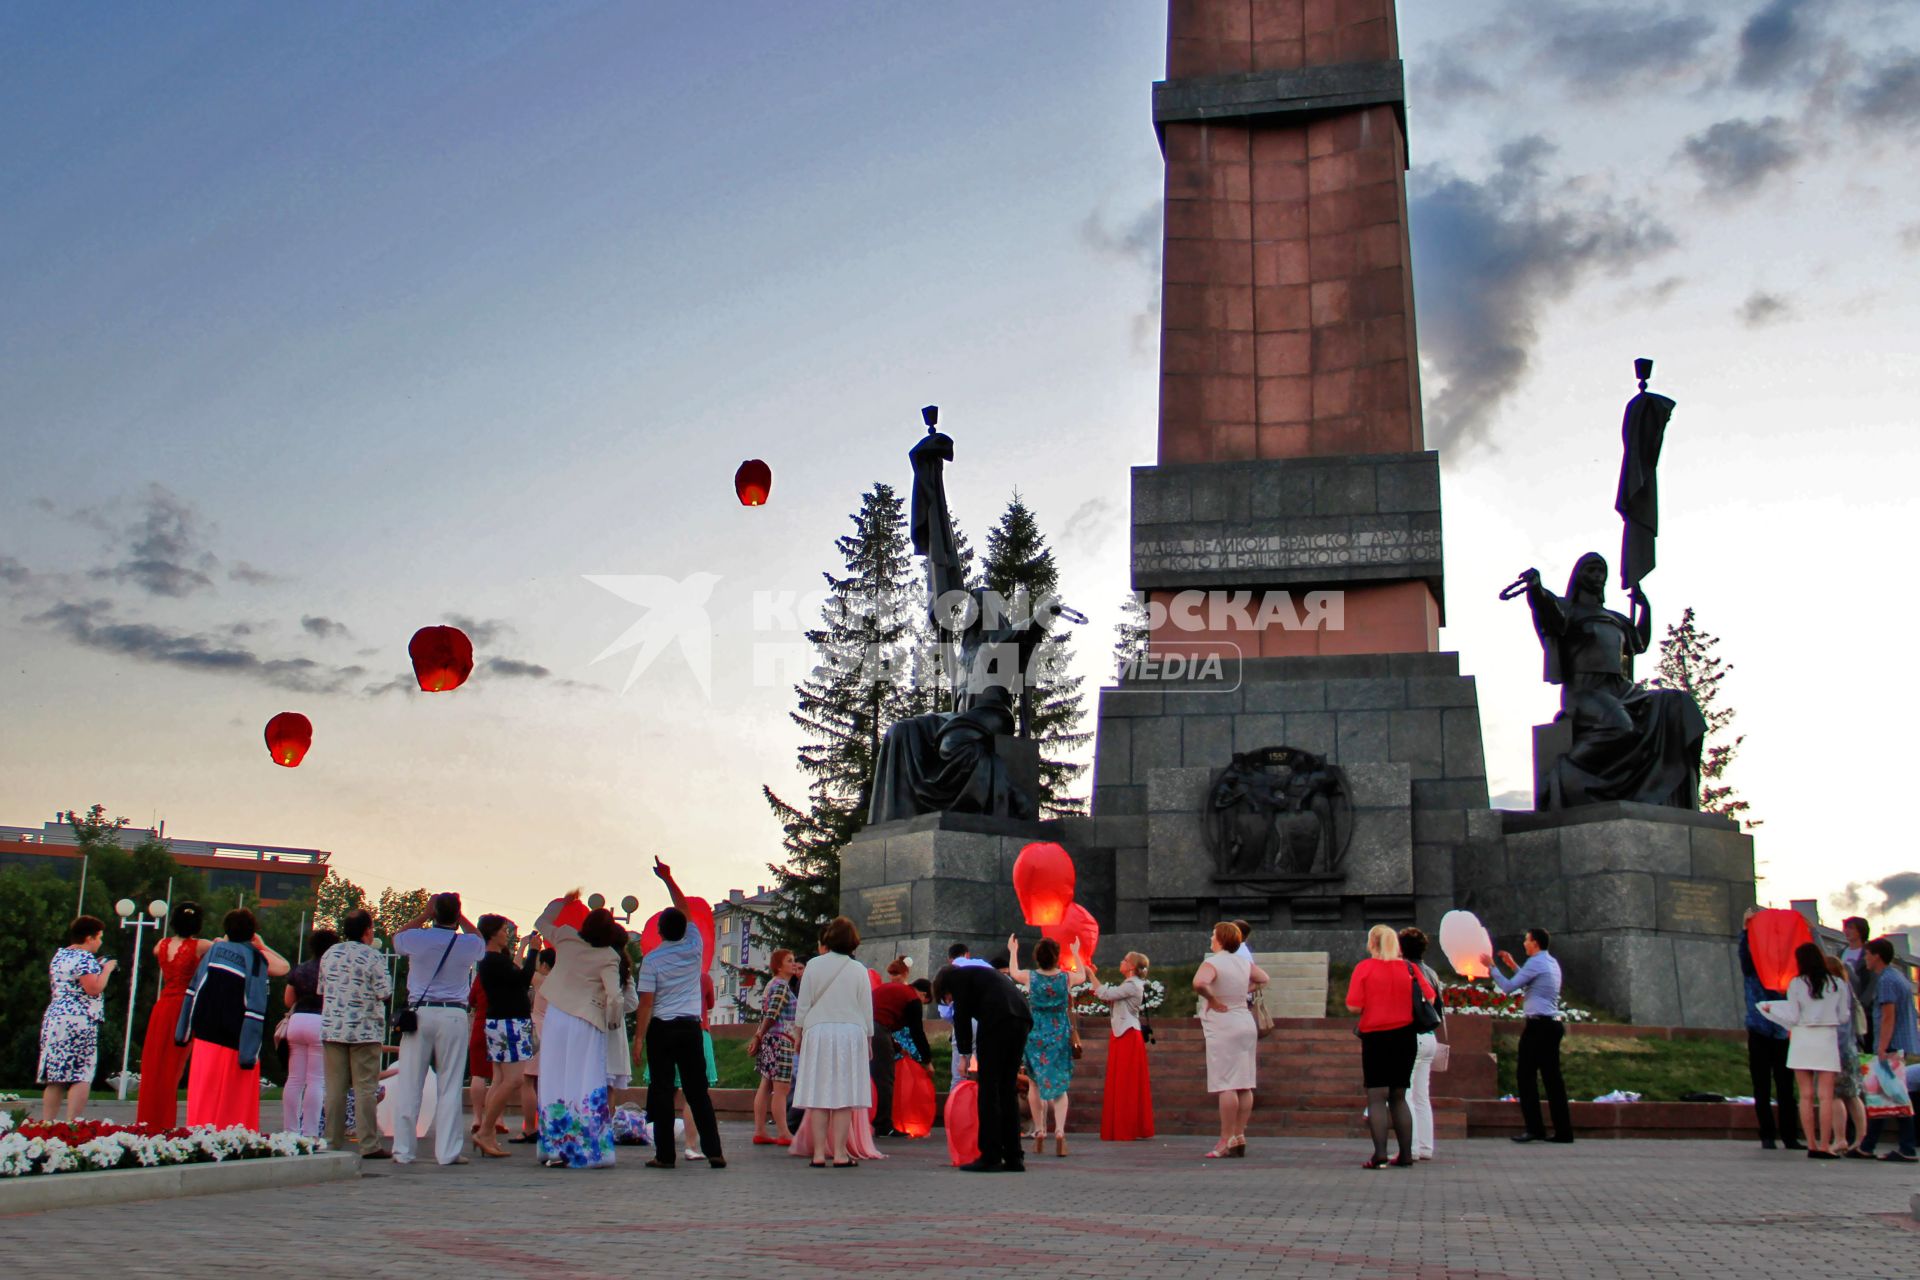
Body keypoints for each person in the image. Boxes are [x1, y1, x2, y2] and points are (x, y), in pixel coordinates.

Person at [635, 859, 726, 1169]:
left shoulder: (652, 961)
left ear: (660, 932)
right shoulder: (694, 946)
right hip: (690, 1028)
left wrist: (638, 1041)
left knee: (661, 1092)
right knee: (697, 1092)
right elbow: (684, 908)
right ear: (685, 929)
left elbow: (645, 1004)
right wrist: (668, 879)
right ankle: (714, 1151)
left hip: (661, 1029)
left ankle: (664, 1155)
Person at [532, 892, 626, 1169]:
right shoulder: (608, 955)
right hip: (586, 1021)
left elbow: (541, 921)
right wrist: (612, 1020)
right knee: (585, 1079)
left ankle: (551, 1145)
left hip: (557, 1015)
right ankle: (587, 1148)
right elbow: (615, 997)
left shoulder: (567, 938)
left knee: (552, 1077)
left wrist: (562, 901)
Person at [389, 892, 484, 1166]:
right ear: (456, 914)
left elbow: (398, 937)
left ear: (434, 912)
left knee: (410, 1081)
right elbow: (479, 939)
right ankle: (447, 1152)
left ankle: (404, 1150)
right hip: (453, 1013)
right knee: (450, 1084)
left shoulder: (417, 938)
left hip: (420, 1012)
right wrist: (461, 916)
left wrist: (424, 914)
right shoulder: (466, 943)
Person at [178, 909, 289, 1131]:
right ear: (253, 932)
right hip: (237, 1039)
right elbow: (283, 967)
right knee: (234, 1098)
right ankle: (233, 1138)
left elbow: (194, 989)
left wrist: (183, 1033)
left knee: (203, 1093)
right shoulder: (256, 958)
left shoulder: (215, 950)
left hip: (206, 1032)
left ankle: (199, 1134)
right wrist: (261, 945)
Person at [1346, 924, 1434, 1168]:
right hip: (1405, 1037)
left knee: (1376, 1096)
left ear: (1371, 943)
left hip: (1376, 1037)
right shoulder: (1410, 968)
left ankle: (1380, 1154)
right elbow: (1430, 997)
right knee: (1399, 1096)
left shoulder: (1364, 968)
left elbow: (1353, 1005)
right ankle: (1406, 1154)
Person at [933, 959, 1032, 1172]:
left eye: (946, 998)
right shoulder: (978, 975)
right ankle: (1014, 1157)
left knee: (988, 1090)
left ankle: (990, 1155)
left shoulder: (957, 979)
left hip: (999, 1021)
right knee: (1007, 1089)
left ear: (945, 987)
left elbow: (961, 1019)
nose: (949, 1001)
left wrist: (964, 1055)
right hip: (1021, 1019)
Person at [791, 916, 873, 1168]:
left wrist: (798, 1034)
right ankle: (839, 1153)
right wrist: (869, 1039)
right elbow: (866, 1008)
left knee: (818, 1094)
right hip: (851, 1032)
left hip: (819, 1031)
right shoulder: (858, 969)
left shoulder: (813, 966)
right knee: (844, 1095)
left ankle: (817, 1153)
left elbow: (802, 1004)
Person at [1483, 928, 1573, 1144]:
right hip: (1552, 1027)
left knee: (1526, 1076)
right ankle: (1563, 1132)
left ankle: (1534, 1128)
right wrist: (1512, 965)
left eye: (1526, 939)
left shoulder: (1536, 963)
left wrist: (1492, 967)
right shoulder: (1549, 962)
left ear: (1535, 943)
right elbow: (1532, 980)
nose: (1524, 943)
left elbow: (1508, 987)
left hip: (1538, 1027)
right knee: (1553, 1080)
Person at [319, 908, 391, 1159]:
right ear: (367, 931)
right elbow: (385, 992)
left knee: (335, 1089)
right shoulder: (373, 957)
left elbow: (322, 989)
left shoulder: (329, 954)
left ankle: (331, 1141)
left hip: (333, 1029)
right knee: (365, 1089)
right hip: (365, 1031)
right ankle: (368, 1143)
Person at [1195, 921, 1269, 1160]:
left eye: (1213, 935)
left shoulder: (1213, 962)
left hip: (1223, 1022)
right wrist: (1242, 988)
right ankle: (1239, 1134)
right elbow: (1264, 978)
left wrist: (1213, 999)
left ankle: (1225, 1139)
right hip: (1245, 1021)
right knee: (1244, 1083)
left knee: (1226, 1083)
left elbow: (1199, 983)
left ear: (1220, 939)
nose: (1210, 939)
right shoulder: (1243, 962)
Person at [136, 901, 210, 1129]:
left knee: (155, 1064)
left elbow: (156, 952)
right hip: (184, 1007)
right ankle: (164, 1121)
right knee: (174, 1066)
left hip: (163, 1006)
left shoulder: (162, 944)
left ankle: (151, 1119)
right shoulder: (200, 945)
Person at [1771, 941, 1847, 1160]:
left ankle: (1811, 1144)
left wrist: (1775, 1012)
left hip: (1803, 1037)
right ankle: (1825, 1145)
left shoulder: (1796, 983)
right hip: (1826, 1038)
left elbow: (1793, 1016)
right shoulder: (1837, 984)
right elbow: (1843, 1016)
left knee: (1805, 1095)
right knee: (1825, 1096)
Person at [472, 914, 538, 1158]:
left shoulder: (494, 960)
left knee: (500, 1079)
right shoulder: (493, 961)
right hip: (509, 1022)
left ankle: (487, 1132)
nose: (506, 933)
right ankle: (485, 1129)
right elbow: (523, 980)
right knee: (514, 1079)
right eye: (503, 929)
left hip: (501, 1021)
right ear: (492, 933)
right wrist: (532, 953)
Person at [38, 916, 114, 1123]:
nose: (100, 942)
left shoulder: (60, 955)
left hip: (55, 1018)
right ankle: (73, 1124)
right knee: (81, 1073)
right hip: (79, 1020)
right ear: (89, 938)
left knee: (55, 1077)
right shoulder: (85, 958)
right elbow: (93, 988)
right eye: (99, 937)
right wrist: (106, 970)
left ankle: (47, 1124)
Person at [1737, 907, 1800, 1150]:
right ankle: (1768, 1135)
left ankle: (1789, 1136)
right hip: (1761, 1031)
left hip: (1782, 1032)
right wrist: (1745, 931)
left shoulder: (1786, 972)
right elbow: (1745, 954)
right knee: (1763, 1086)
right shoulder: (1753, 970)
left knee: (1785, 1088)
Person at [1008, 935, 1074, 1157]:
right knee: (1060, 1086)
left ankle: (1039, 1130)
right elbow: (1083, 975)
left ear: (1037, 957)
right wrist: (1076, 952)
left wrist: (1013, 951)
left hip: (1035, 1033)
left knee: (1035, 1085)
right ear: (1057, 957)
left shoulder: (1031, 977)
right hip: (1058, 1034)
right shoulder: (1066, 978)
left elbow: (1014, 973)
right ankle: (1060, 1131)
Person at [1858, 938, 1919, 1163]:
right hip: (1899, 1043)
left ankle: (1907, 1148)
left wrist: (1881, 1048)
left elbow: (1888, 1016)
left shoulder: (1886, 981)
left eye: (1867, 954)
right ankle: (1867, 1146)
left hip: (1890, 1045)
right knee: (1884, 1097)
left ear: (1877, 956)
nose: (1865, 958)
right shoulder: (1897, 977)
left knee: (1896, 1098)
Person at [1085, 950, 1154, 1142]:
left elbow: (1107, 994)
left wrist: (1091, 975)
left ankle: (1124, 1127)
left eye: (1124, 960)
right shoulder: (1131, 984)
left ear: (1131, 966)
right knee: (1123, 1081)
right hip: (1124, 1033)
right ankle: (1126, 1125)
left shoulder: (1132, 985)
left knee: (1125, 1082)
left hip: (1127, 1035)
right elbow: (1107, 996)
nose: (1121, 962)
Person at [280, 927, 336, 1137]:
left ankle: (290, 1130)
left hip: (297, 1021)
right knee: (315, 1080)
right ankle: (310, 1131)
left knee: (294, 1079)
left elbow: (288, 1000)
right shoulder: (332, 970)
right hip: (320, 1022)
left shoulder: (301, 969)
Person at [871, 956, 930, 1138]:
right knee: (885, 1078)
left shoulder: (893, 990)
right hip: (876, 1029)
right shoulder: (911, 998)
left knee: (869, 1076)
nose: (922, 1004)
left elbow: (885, 1024)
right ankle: (883, 1125)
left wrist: (897, 1048)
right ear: (922, 993)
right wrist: (927, 1061)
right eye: (925, 1000)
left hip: (863, 1026)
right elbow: (916, 1032)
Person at [1399, 927, 1444, 1162]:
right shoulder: (1432, 972)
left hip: (1411, 1035)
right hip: (1430, 1038)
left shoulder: (1406, 970)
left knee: (1404, 1095)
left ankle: (1411, 1147)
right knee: (1421, 1096)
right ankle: (1426, 1147)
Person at [749, 949, 800, 1145]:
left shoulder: (772, 985)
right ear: (779, 966)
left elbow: (767, 1014)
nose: (793, 964)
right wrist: (759, 1034)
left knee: (766, 1084)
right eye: (789, 961)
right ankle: (783, 1132)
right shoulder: (781, 986)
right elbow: (773, 1013)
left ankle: (760, 1130)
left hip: (771, 1039)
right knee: (781, 1088)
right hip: (781, 1039)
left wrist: (760, 1036)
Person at [1821, 953, 1869, 1158]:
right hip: (1850, 1048)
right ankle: (1861, 1138)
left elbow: (1836, 1024)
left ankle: (1840, 1138)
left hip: (1837, 1048)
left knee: (1834, 1095)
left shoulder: (1832, 990)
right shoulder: (1846, 988)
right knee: (1852, 1095)